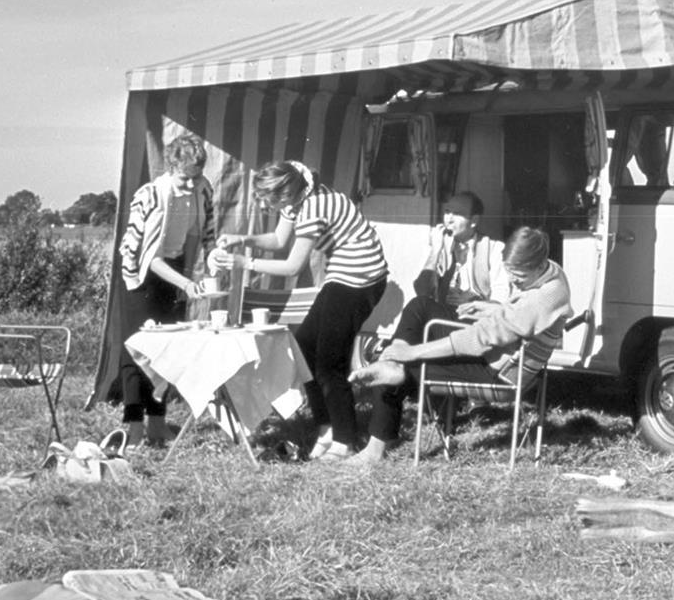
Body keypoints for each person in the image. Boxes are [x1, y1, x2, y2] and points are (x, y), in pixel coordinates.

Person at [209, 161, 388, 462]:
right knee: (303, 346)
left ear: (285, 192)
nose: (266, 204)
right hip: (343, 273)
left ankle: (345, 441)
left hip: (361, 278)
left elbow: (293, 265)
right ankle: (326, 428)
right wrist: (243, 241)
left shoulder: (313, 208)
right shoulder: (299, 191)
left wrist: (244, 263)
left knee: (330, 362)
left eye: (269, 198)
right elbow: (279, 240)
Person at [347, 226, 571, 466]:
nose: (514, 281)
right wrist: (493, 309)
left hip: (497, 373)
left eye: (519, 276)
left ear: (538, 266)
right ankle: (391, 363)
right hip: (499, 353)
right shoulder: (552, 272)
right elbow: (522, 318)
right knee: (421, 306)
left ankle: (376, 447)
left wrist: (412, 352)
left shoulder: (545, 296)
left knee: (401, 367)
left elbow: (479, 339)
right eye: (511, 273)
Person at [117, 134, 216, 446]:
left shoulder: (203, 190)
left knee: (167, 351)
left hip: (172, 272)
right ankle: (133, 428)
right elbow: (149, 258)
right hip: (141, 278)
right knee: (137, 351)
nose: (191, 184)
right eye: (185, 177)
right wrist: (186, 283)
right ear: (172, 165)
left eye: (196, 175)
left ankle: (157, 424)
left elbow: (207, 236)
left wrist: (217, 259)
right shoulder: (150, 195)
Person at [413, 191, 511, 310]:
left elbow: (501, 301)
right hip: (443, 314)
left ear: (474, 221)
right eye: (447, 212)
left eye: (457, 214)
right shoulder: (438, 245)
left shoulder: (495, 249)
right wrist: (435, 251)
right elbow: (421, 291)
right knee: (415, 306)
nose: (449, 220)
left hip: (478, 319)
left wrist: (475, 302)